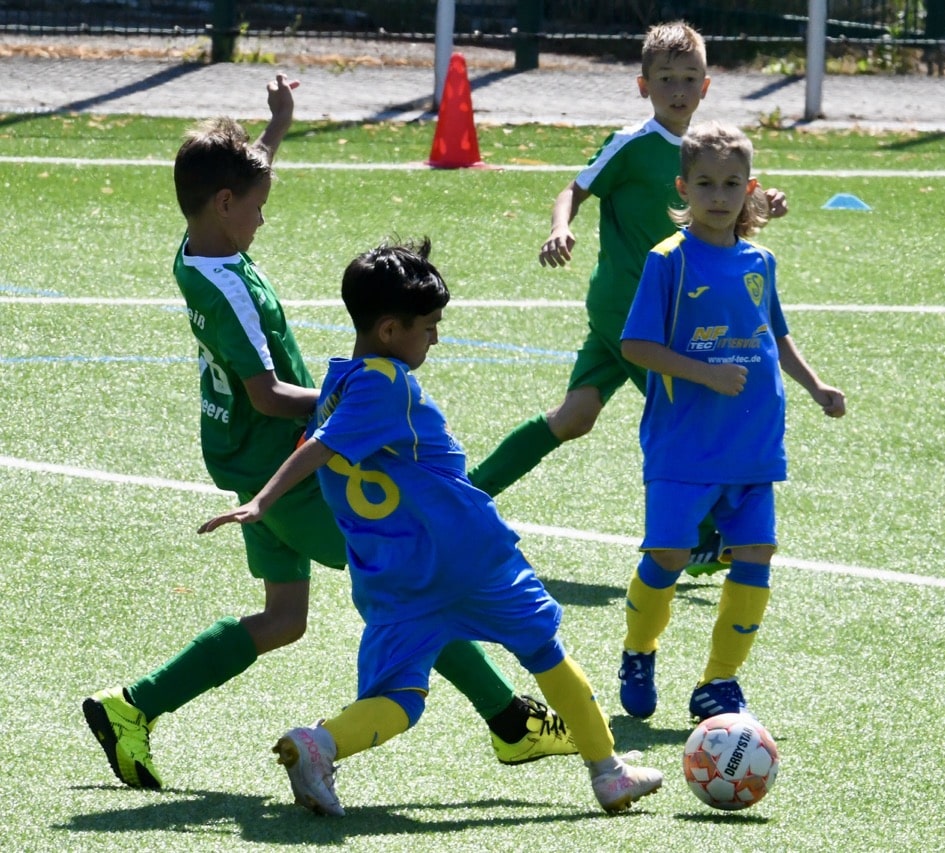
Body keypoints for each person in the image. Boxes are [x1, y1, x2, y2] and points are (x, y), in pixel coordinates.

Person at [81, 75, 575, 792]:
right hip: (292, 469)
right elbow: (268, 393)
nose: (263, 219)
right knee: (415, 579)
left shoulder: (199, 246)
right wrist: (365, 394)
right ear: (225, 205)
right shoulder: (229, 291)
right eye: (257, 208)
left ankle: (134, 705)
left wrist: (274, 128)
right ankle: (512, 722)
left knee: (284, 619)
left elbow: (238, 182)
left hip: (252, 470)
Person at [197, 238, 664, 816]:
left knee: (399, 699)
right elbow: (320, 448)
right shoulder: (384, 384)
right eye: (429, 325)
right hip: (465, 559)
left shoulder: (337, 385)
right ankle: (609, 773)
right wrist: (264, 501)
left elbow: (323, 438)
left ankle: (321, 744)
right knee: (543, 648)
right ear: (390, 330)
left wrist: (266, 498)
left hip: (395, 579)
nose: (436, 336)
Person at [465, 20, 787, 576]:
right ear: (644, 86)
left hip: (665, 316)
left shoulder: (706, 153)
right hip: (633, 319)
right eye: (666, 79)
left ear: (706, 86)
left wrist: (765, 206)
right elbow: (574, 187)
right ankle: (708, 534)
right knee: (688, 412)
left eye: (689, 78)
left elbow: (726, 216)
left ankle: (467, 495)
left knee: (574, 417)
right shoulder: (633, 145)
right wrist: (560, 228)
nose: (679, 90)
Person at [615, 121, 846, 722]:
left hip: (752, 442)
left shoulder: (760, 260)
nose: (719, 196)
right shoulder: (668, 261)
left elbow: (778, 336)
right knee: (666, 557)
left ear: (750, 189)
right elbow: (637, 346)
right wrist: (705, 372)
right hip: (684, 447)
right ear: (683, 187)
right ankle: (639, 650)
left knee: (757, 552)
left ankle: (718, 682)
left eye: (732, 184)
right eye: (707, 184)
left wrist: (816, 386)